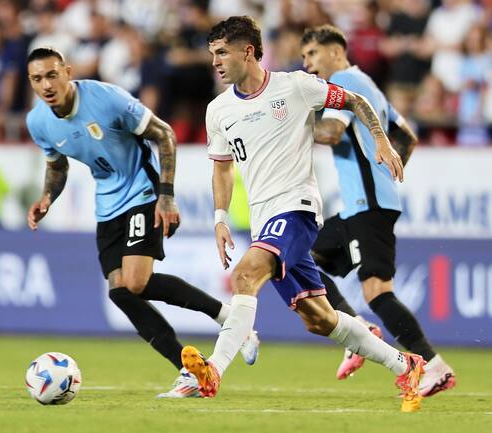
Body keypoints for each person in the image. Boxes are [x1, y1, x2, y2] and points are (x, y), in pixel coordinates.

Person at [180, 16, 424, 412]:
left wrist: (380, 140)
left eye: (222, 53)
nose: (215, 62)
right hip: (264, 221)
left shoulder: (295, 86)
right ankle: (406, 365)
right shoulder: (218, 110)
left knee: (244, 275)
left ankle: (213, 371)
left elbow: (356, 101)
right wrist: (220, 218)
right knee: (320, 319)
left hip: (297, 209)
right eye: (212, 54)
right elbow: (222, 167)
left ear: (248, 51)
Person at [24, 47, 259, 399]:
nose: (46, 85)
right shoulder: (38, 122)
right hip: (107, 204)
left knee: (134, 282)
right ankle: (196, 361)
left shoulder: (106, 99)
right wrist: (47, 198)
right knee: (121, 291)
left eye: (51, 75)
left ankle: (225, 326)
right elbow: (57, 165)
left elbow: (164, 134)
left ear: (67, 72)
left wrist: (166, 195)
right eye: (37, 79)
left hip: (143, 190)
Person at [300, 25, 456, 397]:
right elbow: (406, 137)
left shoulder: (342, 81)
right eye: (304, 57)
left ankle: (434, 367)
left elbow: (331, 133)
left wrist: (289, 126)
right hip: (365, 205)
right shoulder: (368, 84)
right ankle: (358, 330)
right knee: (303, 256)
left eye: (312, 54)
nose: (307, 64)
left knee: (377, 292)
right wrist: (387, 169)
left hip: (367, 204)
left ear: (335, 52)